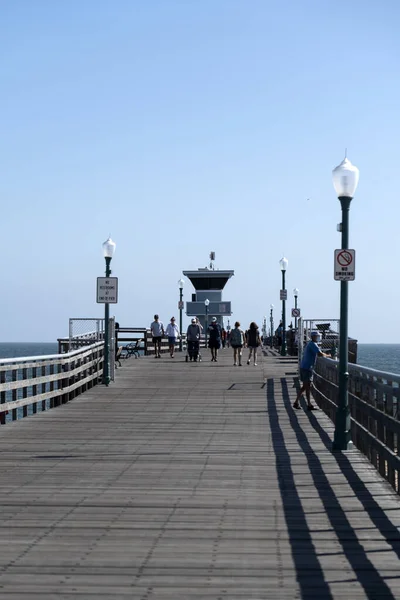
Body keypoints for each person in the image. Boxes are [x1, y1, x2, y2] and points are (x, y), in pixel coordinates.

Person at [293, 331, 330, 411]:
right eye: (317, 336)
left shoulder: (310, 344)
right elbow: (319, 354)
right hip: (307, 368)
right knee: (308, 387)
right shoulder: (313, 344)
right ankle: (309, 404)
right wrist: (328, 355)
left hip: (305, 367)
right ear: (313, 337)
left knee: (305, 386)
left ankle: (296, 402)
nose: (318, 337)